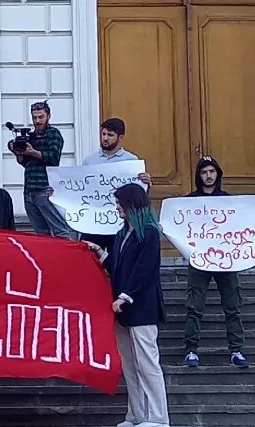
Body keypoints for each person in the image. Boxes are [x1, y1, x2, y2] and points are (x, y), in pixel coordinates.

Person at [88, 183, 169, 427]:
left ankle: (158, 417)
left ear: (131, 203)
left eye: (119, 203)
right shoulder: (122, 233)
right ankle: (136, 415)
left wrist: (126, 296)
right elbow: (117, 266)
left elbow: (145, 271)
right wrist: (99, 253)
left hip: (142, 308)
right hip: (121, 311)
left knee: (148, 364)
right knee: (130, 366)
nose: (116, 207)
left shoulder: (150, 233)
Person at [182, 156, 255, 370]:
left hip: (227, 260)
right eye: (204, 172)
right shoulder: (189, 201)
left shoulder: (230, 202)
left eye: (212, 171)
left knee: (233, 306)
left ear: (218, 174)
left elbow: (245, 221)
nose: (208, 176)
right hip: (200, 259)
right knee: (194, 306)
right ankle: (191, 350)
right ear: (198, 176)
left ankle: (236, 350)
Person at [71, 118, 152, 250]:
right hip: (93, 221)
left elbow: (137, 193)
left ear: (120, 138)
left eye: (110, 135)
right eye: (103, 134)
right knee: (88, 258)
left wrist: (146, 184)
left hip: (119, 223)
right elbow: (80, 189)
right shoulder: (90, 161)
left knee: (116, 261)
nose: (105, 138)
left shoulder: (131, 161)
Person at [8, 101, 71, 239]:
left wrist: (33, 152)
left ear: (48, 116)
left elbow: (53, 158)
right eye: (34, 117)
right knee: (41, 234)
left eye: (41, 117)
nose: (37, 121)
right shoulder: (30, 136)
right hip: (29, 190)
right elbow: (26, 164)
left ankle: (67, 257)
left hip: (45, 189)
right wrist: (18, 153)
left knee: (59, 229)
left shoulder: (53, 134)